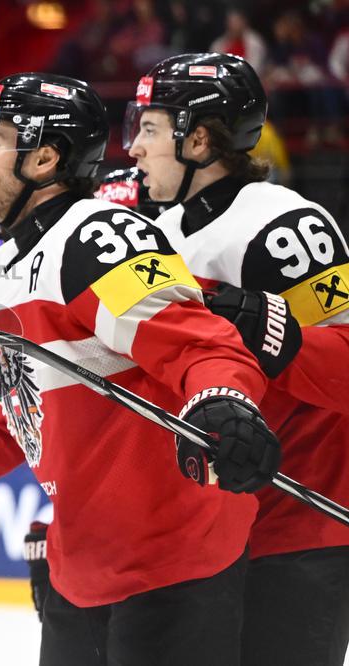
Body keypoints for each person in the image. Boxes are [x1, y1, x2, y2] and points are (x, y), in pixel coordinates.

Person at [0, 72, 281, 665]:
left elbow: (202, 345)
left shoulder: (99, 237)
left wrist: (224, 398)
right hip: (81, 568)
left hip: (176, 559)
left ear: (44, 158)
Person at [125, 52, 349, 666]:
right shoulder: (158, 235)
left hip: (295, 529)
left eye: (149, 129)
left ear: (198, 138)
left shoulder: (285, 225)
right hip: (198, 536)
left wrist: (273, 331)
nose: (134, 150)